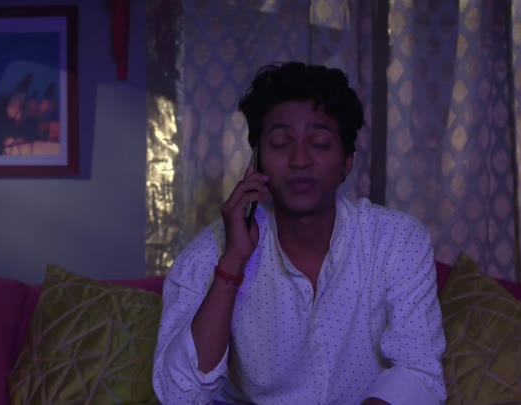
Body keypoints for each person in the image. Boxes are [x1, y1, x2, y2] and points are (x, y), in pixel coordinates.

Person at [153, 62, 447, 405]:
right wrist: (231, 264)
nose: (300, 160)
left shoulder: (397, 240)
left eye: (319, 143)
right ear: (257, 161)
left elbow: (419, 371)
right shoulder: (210, 252)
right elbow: (179, 396)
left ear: (347, 161)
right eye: (280, 143)